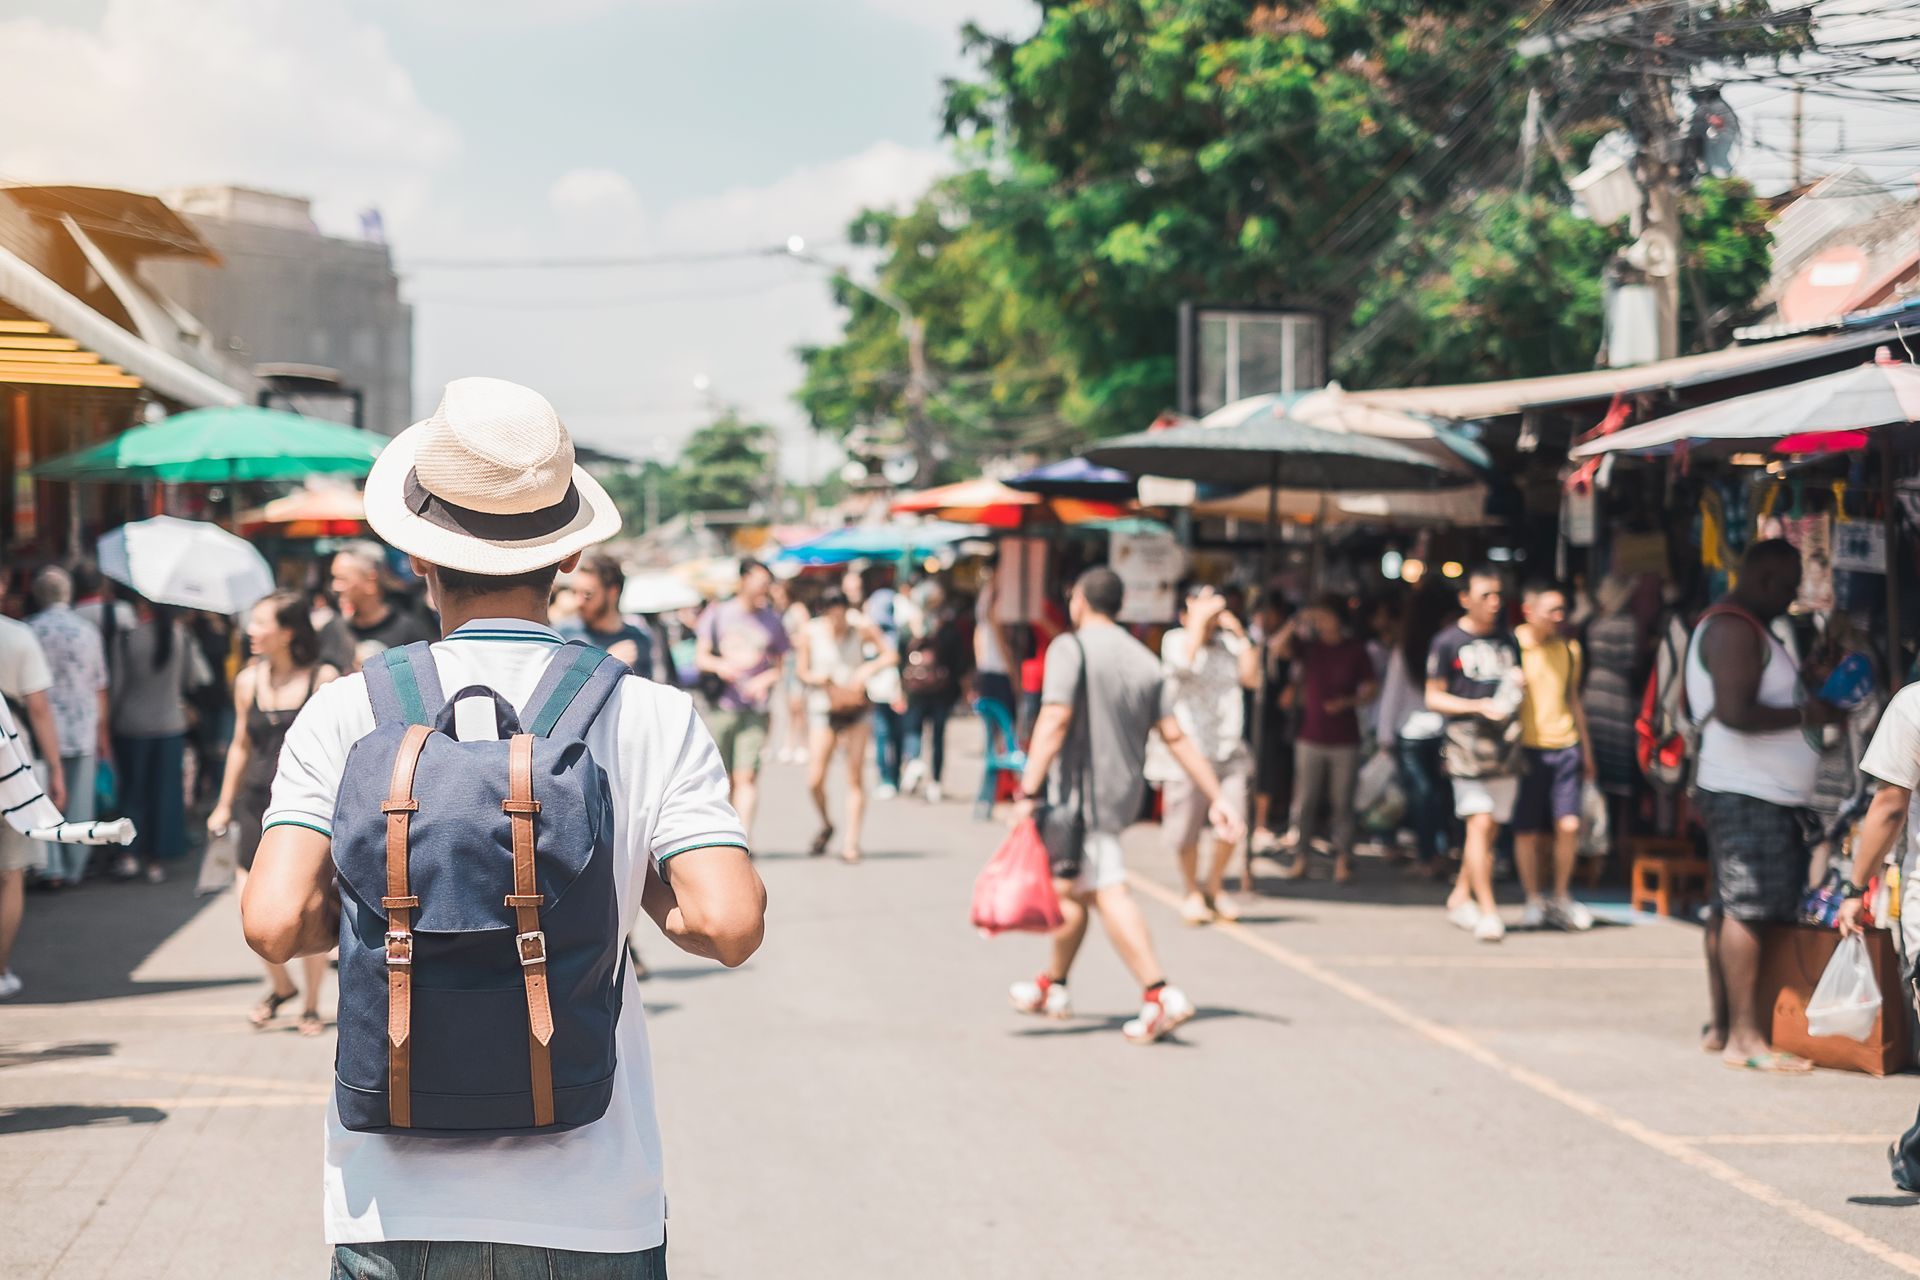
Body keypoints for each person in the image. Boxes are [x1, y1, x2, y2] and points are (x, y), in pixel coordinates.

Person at [242, 376, 765, 1276]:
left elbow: (275, 922)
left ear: (417, 557)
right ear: (566, 559)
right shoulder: (647, 714)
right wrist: (617, 874)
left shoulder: (345, 712)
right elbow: (727, 924)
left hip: (390, 1208)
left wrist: (387, 898)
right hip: (593, 1205)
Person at [1007, 568, 1246, 1044]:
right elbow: (1175, 735)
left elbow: (1054, 718)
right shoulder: (1143, 659)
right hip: (1122, 794)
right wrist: (1216, 796)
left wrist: (1027, 789)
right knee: (1072, 889)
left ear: (1078, 600)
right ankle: (1052, 985)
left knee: (1106, 889)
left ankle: (1159, 992)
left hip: (1079, 797)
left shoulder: (1068, 648)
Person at [1691, 540, 1836, 1073]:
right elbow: (1735, 712)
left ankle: (1724, 1026)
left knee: (1730, 907)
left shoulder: (1747, 626)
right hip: (1747, 791)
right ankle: (1745, 1039)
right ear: (1766, 578)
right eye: (1790, 582)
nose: (1795, 593)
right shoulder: (1733, 628)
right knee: (1748, 910)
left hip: (1751, 789)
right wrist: (1810, 713)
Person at [208, 592, 339, 1035]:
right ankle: (282, 986)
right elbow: (241, 745)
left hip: (307, 807)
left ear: (287, 631)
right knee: (250, 908)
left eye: (260, 623)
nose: (251, 631)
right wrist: (223, 804)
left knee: (307, 906)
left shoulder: (323, 679)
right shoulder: (248, 680)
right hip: (254, 804)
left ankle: (313, 1005)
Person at [1150, 583, 1258, 924]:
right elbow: (1183, 665)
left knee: (1235, 822)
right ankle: (1192, 891)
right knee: (1187, 829)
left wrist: (1240, 633)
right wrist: (1197, 620)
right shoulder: (1176, 640)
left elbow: (1252, 678)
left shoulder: (1230, 644)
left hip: (1228, 748)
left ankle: (1214, 886)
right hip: (1189, 752)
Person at [1426, 567, 1522, 943]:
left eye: (1497, 595)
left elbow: (1514, 682)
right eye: (1485, 595)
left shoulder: (1507, 640)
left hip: (1505, 742)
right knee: (1478, 824)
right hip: (1466, 741)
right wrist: (1477, 706)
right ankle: (1488, 909)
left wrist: (1515, 689)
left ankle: (1460, 894)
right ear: (1465, 599)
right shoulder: (1448, 641)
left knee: (1489, 828)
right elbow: (1433, 696)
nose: (1494, 602)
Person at [1511, 581, 1598, 931]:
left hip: (1565, 745)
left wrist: (1586, 750)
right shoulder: (1512, 645)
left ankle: (1561, 894)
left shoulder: (1569, 649)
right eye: (1553, 611)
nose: (1559, 618)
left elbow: (1573, 700)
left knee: (1569, 824)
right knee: (1527, 830)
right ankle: (1533, 898)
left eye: (1563, 610)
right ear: (1530, 611)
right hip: (1526, 748)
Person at [109, 595, 211, 883]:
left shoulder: (128, 638)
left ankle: (128, 855)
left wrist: (107, 723)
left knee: (132, 792)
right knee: (165, 794)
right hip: (169, 725)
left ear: (142, 605)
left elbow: (116, 687)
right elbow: (193, 679)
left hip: (131, 726)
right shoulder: (181, 636)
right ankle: (156, 859)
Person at [1275, 594, 1377, 884]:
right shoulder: (1310, 648)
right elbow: (1277, 648)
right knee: (1304, 801)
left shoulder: (1355, 650)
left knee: (1342, 803)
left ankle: (1343, 857)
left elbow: (1371, 687)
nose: (1319, 622)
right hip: (1311, 735)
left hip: (1345, 737)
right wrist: (1295, 622)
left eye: (1323, 616)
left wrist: (1348, 702)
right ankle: (1301, 856)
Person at [798, 589, 896, 863]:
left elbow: (890, 654)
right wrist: (818, 678)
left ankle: (851, 842)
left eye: (841, 612)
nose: (837, 619)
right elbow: (801, 670)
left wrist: (866, 670)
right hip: (823, 707)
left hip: (855, 708)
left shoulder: (861, 626)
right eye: (832, 614)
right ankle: (827, 822)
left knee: (854, 776)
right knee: (815, 779)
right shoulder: (811, 631)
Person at [695, 559, 790, 840]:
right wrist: (721, 666)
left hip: (754, 710)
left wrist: (764, 680)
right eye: (760, 583)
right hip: (721, 706)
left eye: (767, 584)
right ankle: (719, 835)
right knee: (719, 778)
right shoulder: (718, 614)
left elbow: (781, 666)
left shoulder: (772, 620)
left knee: (747, 776)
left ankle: (741, 837)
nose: (765, 589)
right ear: (743, 581)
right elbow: (701, 657)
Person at [28, 567, 108, 889]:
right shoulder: (87, 631)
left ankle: (53, 867)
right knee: (79, 801)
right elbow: (99, 684)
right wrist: (104, 731)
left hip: (41, 729)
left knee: (44, 799)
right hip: (83, 724)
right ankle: (76, 864)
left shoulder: (29, 630)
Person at [0, 617, 63, 999]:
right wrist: (55, 768)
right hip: (11, 768)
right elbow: (38, 708)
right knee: (11, 872)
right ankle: (1, 969)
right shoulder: (17, 635)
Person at [1375, 586, 1452, 875]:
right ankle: (1430, 853)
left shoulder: (1411, 649)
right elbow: (1393, 695)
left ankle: (1427, 854)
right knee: (1431, 796)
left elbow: (1390, 698)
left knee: (1424, 796)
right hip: (1433, 732)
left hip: (1413, 733)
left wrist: (1384, 736)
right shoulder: (1428, 649)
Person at [316, 540, 435, 674]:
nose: (335, 587)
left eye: (342, 579)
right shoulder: (333, 630)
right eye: (334, 578)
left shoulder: (411, 632)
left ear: (370, 580)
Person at [900, 580, 969, 803]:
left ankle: (915, 761)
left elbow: (900, 659)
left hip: (916, 689)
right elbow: (959, 661)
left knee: (914, 729)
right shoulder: (946, 627)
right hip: (941, 690)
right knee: (937, 736)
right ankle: (935, 781)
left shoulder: (908, 628)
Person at [1249, 594, 1296, 855]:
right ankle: (1251, 820)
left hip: (1274, 714)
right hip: (1254, 710)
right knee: (1253, 766)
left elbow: (1283, 652)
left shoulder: (1289, 640)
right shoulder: (1251, 638)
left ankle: (1261, 822)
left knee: (1269, 767)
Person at [560, 552, 654, 676]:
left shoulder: (639, 640)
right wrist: (607, 664)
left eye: (588, 594)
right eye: (574, 592)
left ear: (613, 592)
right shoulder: (565, 636)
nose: (578, 602)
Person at [972, 564, 1017, 819]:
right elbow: (998, 638)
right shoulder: (996, 601)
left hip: (987, 672)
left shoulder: (984, 598)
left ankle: (986, 799)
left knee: (992, 742)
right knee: (1000, 742)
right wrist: (1014, 674)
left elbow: (980, 637)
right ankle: (989, 798)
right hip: (998, 673)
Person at [772, 581, 811, 764]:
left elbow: (806, 635)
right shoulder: (781, 610)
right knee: (790, 706)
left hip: (798, 660)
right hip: (787, 662)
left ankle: (802, 745)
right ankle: (790, 744)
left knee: (798, 705)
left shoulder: (797, 609)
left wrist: (788, 641)